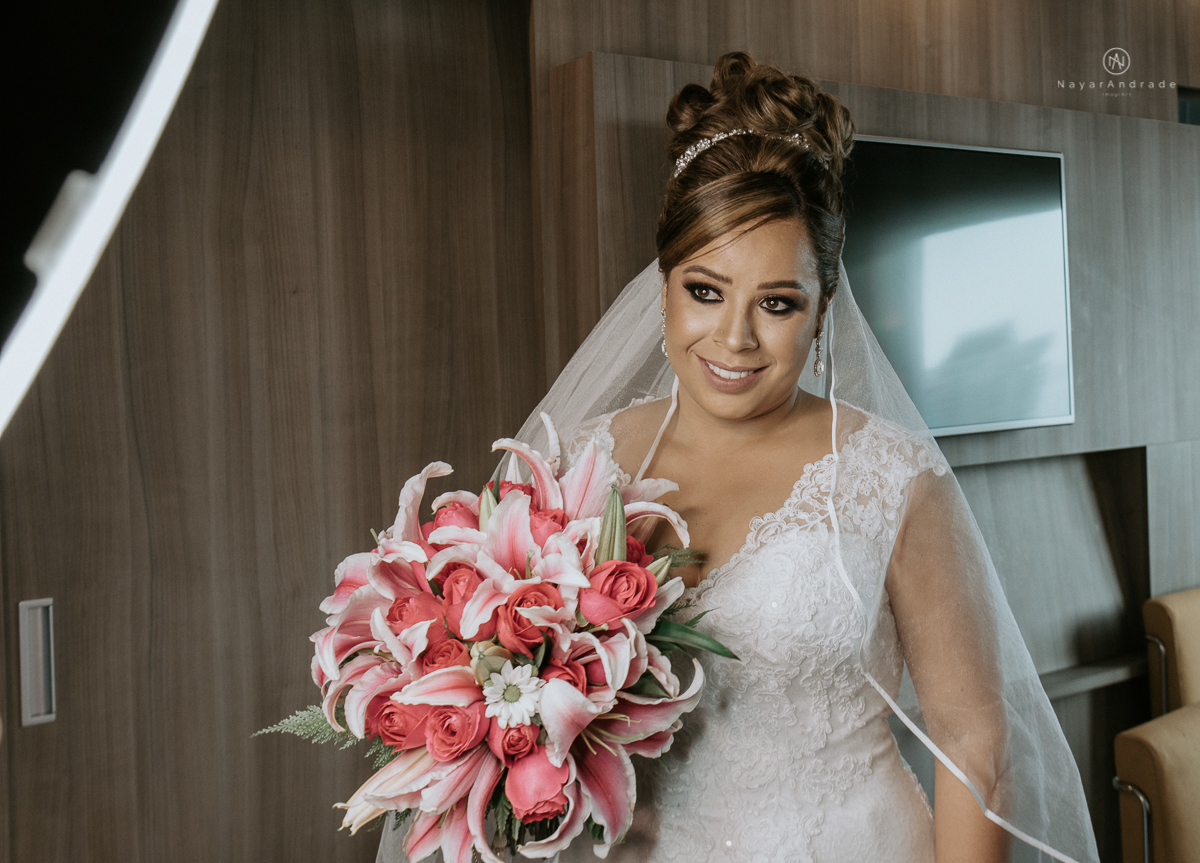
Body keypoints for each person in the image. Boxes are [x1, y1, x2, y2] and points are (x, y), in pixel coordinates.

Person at [514, 53, 1099, 863]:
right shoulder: (579, 462)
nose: (735, 338)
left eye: (778, 303)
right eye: (706, 290)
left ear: (824, 309)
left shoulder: (891, 478)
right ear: (663, 285)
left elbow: (977, 747)